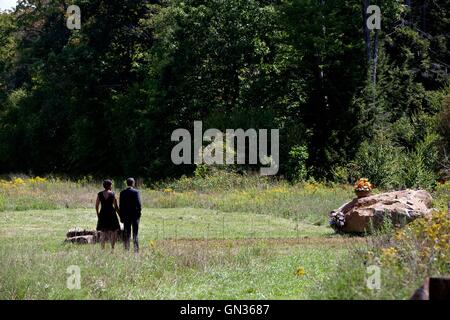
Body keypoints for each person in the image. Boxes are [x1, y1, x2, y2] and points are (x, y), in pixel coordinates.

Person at [95, 179, 120, 251]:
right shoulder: (113, 194)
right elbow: (116, 206)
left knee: (103, 232)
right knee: (114, 231)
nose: (111, 186)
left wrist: (98, 214)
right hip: (111, 213)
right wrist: (119, 215)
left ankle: (102, 249)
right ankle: (112, 248)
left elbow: (96, 206)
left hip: (102, 213)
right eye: (111, 185)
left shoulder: (99, 194)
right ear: (109, 186)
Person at [119, 177, 142, 253]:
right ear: (133, 183)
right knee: (135, 233)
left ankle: (126, 249)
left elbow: (121, 206)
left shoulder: (122, 193)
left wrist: (121, 217)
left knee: (127, 233)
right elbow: (139, 205)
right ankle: (136, 251)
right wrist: (139, 214)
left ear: (127, 183)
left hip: (125, 216)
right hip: (134, 216)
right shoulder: (136, 192)